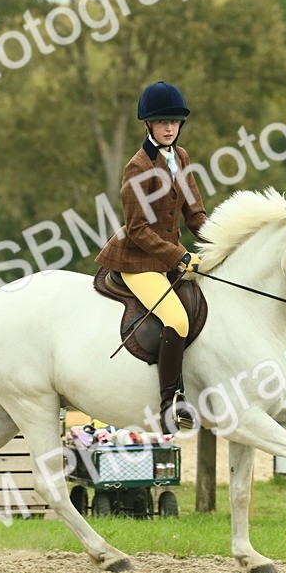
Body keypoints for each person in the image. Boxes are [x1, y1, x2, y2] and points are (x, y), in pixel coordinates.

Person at [95, 81, 208, 434]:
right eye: (163, 122)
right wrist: (180, 256)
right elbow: (139, 229)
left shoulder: (182, 157)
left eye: (174, 121)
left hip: (170, 258)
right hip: (137, 260)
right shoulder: (137, 167)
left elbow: (195, 215)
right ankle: (169, 405)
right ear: (148, 124)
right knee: (176, 317)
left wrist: (222, 242)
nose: (170, 127)